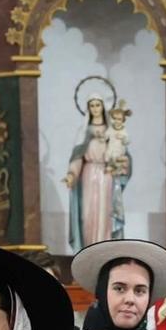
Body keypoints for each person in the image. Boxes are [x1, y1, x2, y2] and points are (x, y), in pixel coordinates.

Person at [65, 97, 118, 251]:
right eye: (92, 105)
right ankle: (88, 249)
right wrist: (71, 174)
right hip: (88, 174)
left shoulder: (111, 130)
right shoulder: (83, 131)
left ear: (103, 107)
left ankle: (104, 249)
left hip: (106, 175)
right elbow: (77, 157)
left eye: (98, 105)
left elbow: (119, 152)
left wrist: (119, 163)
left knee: (105, 214)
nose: (95, 108)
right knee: (87, 215)